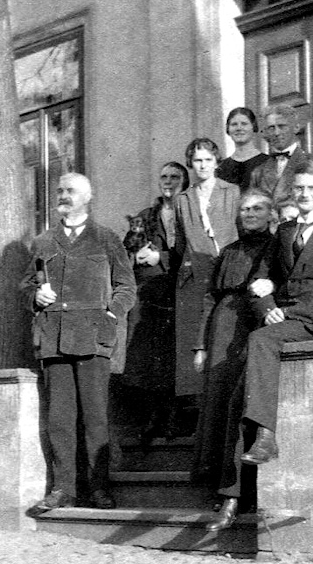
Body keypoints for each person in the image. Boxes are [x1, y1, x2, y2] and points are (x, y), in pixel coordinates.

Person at [21, 173, 136, 514]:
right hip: (54, 337)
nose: (63, 195)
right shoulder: (43, 241)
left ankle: (99, 488)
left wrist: (111, 316)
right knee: (59, 419)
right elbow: (27, 283)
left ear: (88, 197)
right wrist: (35, 294)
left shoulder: (106, 238)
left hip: (93, 338)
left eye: (70, 191)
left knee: (96, 418)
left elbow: (126, 286)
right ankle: (63, 490)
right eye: (60, 190)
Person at [240, 160, 313, 467]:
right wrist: (267, 309)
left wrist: (286, 313)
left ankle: (266, 436)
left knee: (262, 340)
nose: (304, 194)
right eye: (299, 188)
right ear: (291, 191)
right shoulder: (284, 232)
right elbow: (259, 282)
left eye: (311, 188)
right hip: (282, 319)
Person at [193, 190, 275, 531]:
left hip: (252, 327)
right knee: (217, 406)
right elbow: (211, 298)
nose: (250, 214)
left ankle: (241, 495)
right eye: (244, 209)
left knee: (241, 408)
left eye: (257, 208)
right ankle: (217, 485)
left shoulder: (276, 247)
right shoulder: (227, 252)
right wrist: (201, 345)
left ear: (270, 213)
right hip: (221, 331)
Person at [123, 161, 190, 441]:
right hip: (151, 293)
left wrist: (159, 258)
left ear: (184, 181)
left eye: (175, 177)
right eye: (164, 176)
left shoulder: (190, 211)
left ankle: (174, 417)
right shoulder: (147, 215)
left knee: (175, 355)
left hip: (182, 290)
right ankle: (153, 417)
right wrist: (137, 254)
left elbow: (192, 249)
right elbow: (129, 246)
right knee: (149, 356)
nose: (168, 181)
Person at [173, 138, 240, 411]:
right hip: (194, 276)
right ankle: (197, 412)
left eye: (208, 160)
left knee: (223, 337)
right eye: (197, 160)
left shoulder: (232, 192)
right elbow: (179, 243)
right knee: (193, 346)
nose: (202, 165)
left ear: (216, 162)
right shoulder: (183, 199)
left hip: (225, 273)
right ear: (191, 163)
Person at [248, 103, 313, 223]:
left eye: (282, 126)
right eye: (271, 128)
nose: (276, 133)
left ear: (296, 127)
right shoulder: (258, 172)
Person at [215, 107, 270, 190]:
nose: (239, 128)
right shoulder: (221, 167)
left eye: (244, 124)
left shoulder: (268, 163)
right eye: (234, 124)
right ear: (228, 129)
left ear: (253, 126)